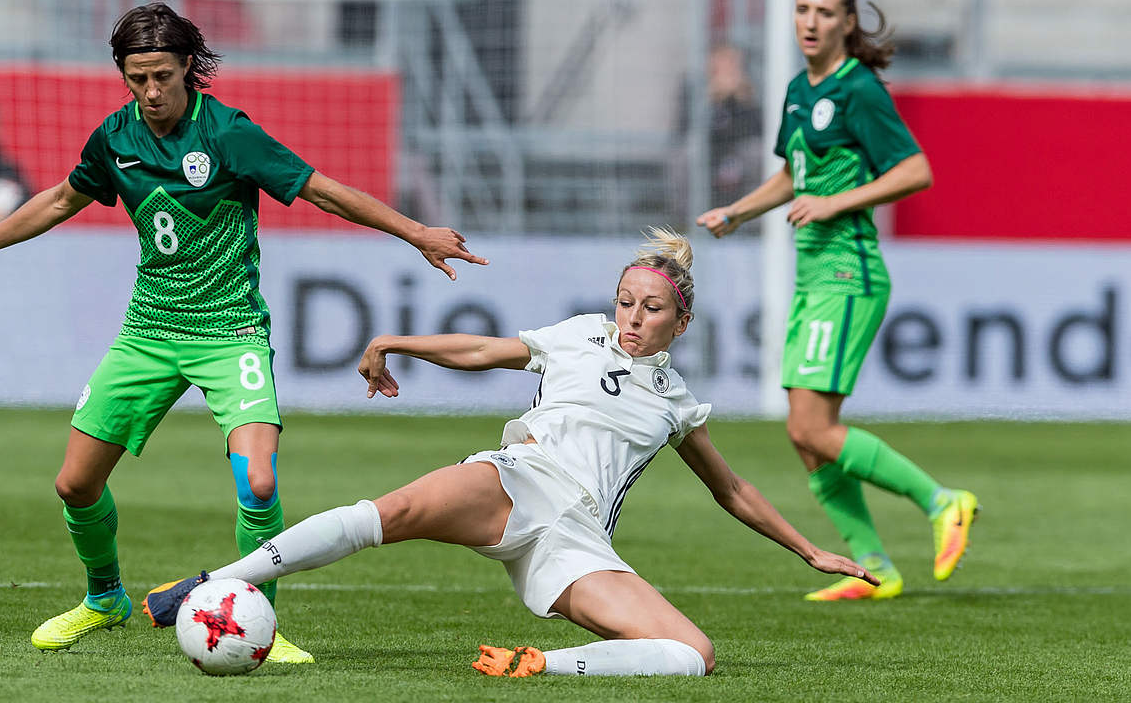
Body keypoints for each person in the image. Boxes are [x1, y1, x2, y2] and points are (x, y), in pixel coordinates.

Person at [0, 2, 488, 660]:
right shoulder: (115, 139)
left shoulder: (228, 134)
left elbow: (321, 191)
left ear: (188, 66)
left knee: (260, 484)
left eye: (162, 76)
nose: (152, 92)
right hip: (149, 333)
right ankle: (104, 598)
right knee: (74, 485)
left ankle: (263, 630)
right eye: (138, 79)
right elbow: (57, 200)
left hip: (230, 333)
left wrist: (416, 232)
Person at [140, 228, 877, 677]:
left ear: (680, 323)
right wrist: (399, 341)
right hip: (521, 480)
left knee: (693, 655)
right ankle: (206, 583)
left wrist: (809, 551)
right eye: (626, 300)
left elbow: (733, 489)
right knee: (387, 512)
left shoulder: (677, 402)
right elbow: (487, 349)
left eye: (651, 309)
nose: (632, 317)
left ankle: (535, 665)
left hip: (575, 537)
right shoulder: (581, 333)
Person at [696, 0, 979, 601]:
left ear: (848, 23)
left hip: (848, 274)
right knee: (805, 436)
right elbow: (794, 176)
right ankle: (875, 568)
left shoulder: (859, 90)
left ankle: (943, 502)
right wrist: (739, 212)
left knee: (814, 428)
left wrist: (837, 203)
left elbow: (915, 170)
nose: (810, 21)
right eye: (802, 9)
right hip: (813, 276)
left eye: (825, 11)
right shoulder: (799, 89)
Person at [674, 44, 763, 209]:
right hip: (709, 150)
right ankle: (686, 216)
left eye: (733, 63)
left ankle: (754, 218)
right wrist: (711, 100)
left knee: (757, 154)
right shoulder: (693, 87)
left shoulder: (747, 89)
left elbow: (756, 130)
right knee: (686, 157)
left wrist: (742, 100)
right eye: (723, 63)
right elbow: (684, 128)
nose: (728, 68)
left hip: (737, 150)